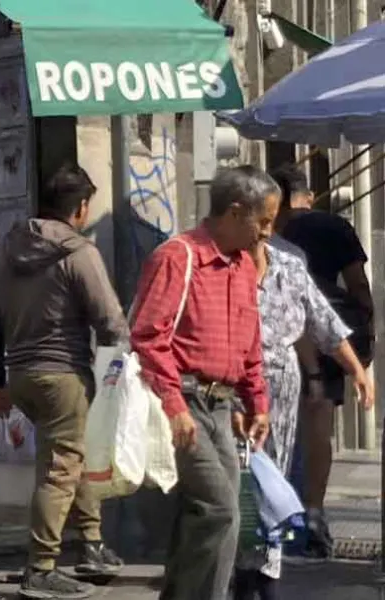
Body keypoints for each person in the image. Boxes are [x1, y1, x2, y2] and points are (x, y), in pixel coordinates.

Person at [129, 165, 277, 600]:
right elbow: (148, 336)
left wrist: (258, 402)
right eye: (263, 221)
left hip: (221, 409)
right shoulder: (178, 257)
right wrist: (174, 406)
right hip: (184, 403)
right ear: (235, 212)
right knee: (219, 510)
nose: (268, 232)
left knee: (207, 515)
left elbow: (250, 343)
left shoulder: (244, 267)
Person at [0, 163, 127, 599]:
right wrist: (123, 361)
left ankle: (92, 545)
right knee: (61, 469)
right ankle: (42, 567)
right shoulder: (79, 252)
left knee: (71, 453)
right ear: (80, 208)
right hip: (64, 374)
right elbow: (110, 320)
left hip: (22, 375)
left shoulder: (3, 252)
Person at [231, 231, 372, 599]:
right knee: (236, 488)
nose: (262, 230)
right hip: (227, 391)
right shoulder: (213, 263)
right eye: (255, 219)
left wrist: (355, 369)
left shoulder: (289, 264)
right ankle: (239, 575)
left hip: (278, 391)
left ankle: (262, 576)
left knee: (268, 483)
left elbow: (320, 323)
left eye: (267, 219)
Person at [274, 165, 374, 558]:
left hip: (279, 336)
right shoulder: (335, 228)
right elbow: (360, 288)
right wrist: (366, 341)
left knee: (277, 421)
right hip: (329, 335)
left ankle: (276, 513)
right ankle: (312, 512)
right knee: (318, 421)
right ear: (309, 195)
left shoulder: (271, 232)